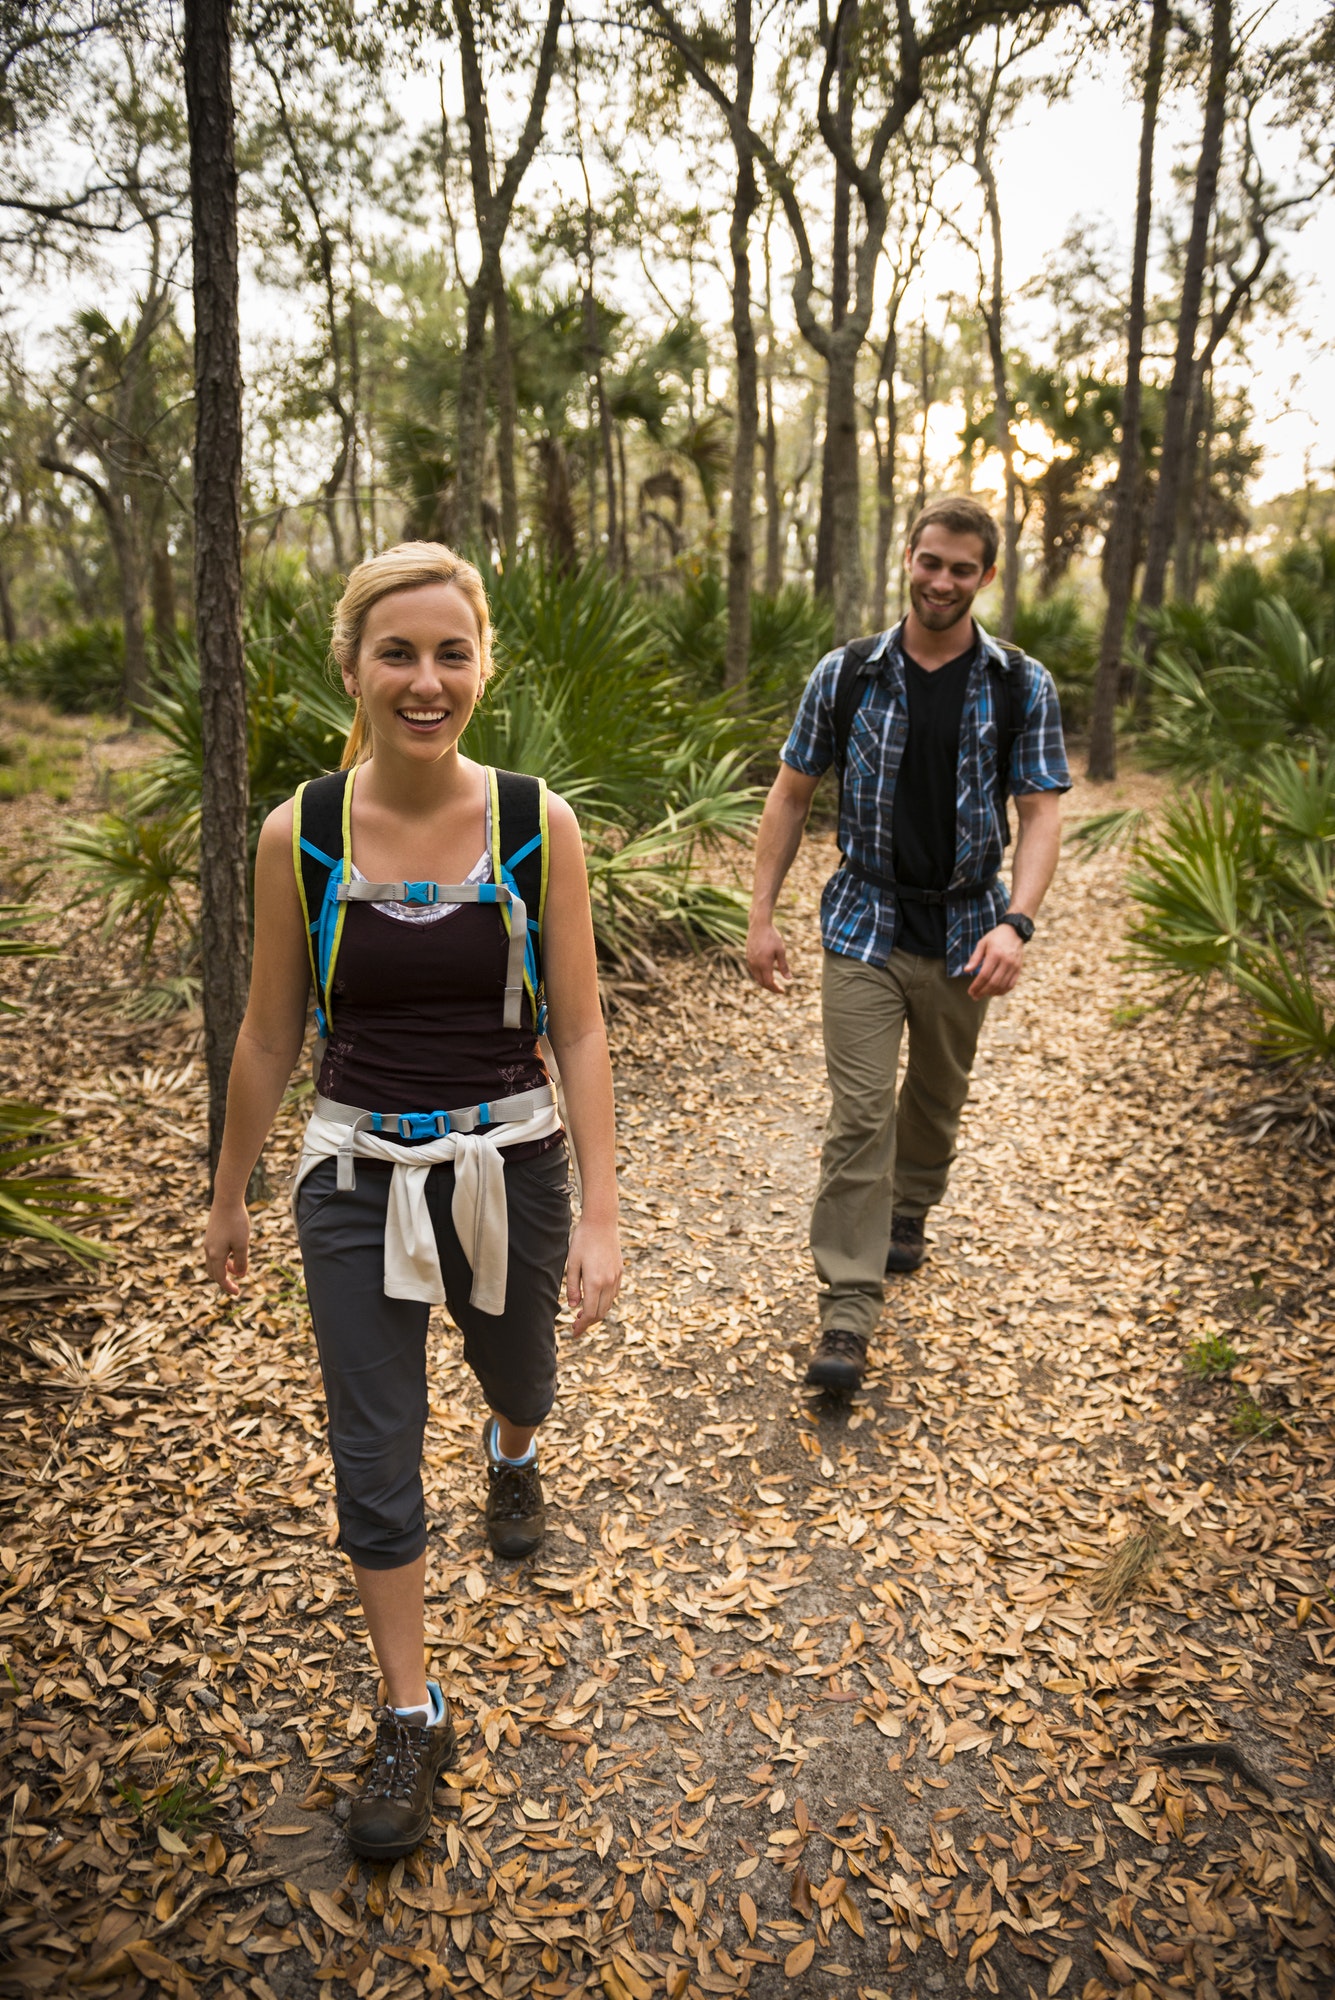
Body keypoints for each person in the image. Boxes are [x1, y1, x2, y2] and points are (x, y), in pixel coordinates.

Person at [204, 542, 622, 1859]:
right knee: (371, 1453)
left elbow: (584, 1030)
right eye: (397, 652)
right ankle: (408, 1711)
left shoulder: (530, 821)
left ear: (480, 665)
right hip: (351, 1176)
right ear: (354, 667)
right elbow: (270, 1034)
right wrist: (231, 1194)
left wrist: (602, 1215)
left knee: (522, 1376)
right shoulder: (303, 833)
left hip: (511, 1161)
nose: (424, 679)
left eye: (449, 652)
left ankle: (512, 1451)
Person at [746, 495, 1069, 1393]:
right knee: (859, 1114)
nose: (941, 581)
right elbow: (789, 794)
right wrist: (761, 915)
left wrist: (1017, 921)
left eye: (961, 569)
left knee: (934, 1098)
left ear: (985, 577)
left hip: (968, 927)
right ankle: (846, 1313)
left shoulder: (1018, 683)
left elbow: (1040, 813)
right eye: (930, 562)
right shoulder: (847, 673)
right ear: (908, 558)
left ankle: (911, 1207)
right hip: (864, 925)